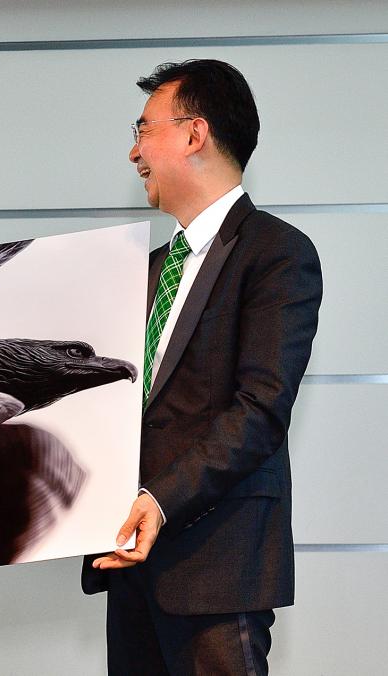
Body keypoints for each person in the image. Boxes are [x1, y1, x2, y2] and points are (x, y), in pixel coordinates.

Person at [81, 59, 322, 675]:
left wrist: (160, 501)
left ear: (194, 134)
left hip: (219, 568)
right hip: (131, 564)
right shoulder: (151, 265)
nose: (133, 152)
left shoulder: (277, 252)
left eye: (143, 129)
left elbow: (261, 410)